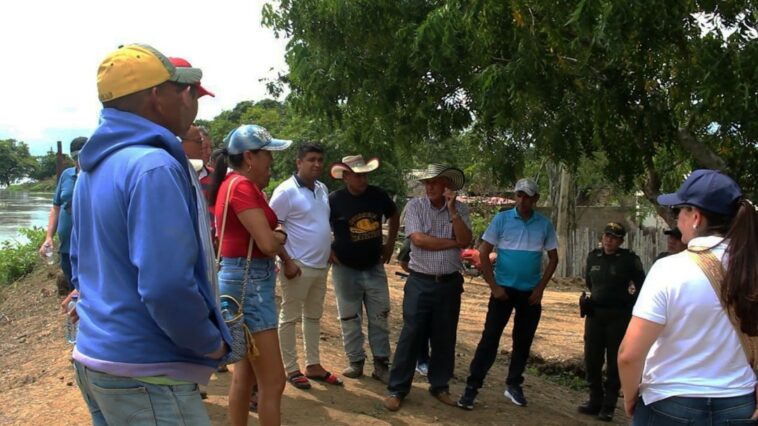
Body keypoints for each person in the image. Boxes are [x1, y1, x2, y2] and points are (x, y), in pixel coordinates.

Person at [69, 44, 230, 425]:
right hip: (147, 372)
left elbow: (78, 267)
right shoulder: (153, 166)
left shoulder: (92, 169)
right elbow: (165, 286)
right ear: (158, 97)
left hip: (97, 358)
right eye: (185, 91)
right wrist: (210, 343)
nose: (191, 102)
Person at [618, 169, 758, 424]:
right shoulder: (751, 269)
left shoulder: (669, 269)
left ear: (695, 217)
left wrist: (630, 397)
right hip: (739, 405)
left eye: (678, 210)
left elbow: (630, 354)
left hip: (670, 403)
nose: (675, 218)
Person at [209, 124, 292, 426]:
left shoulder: (230, 185)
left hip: (235, 280)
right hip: (251, 286)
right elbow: (267, 244)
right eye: (267, 153)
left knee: (244, 375)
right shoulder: (242, 187)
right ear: (249, 157)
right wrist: (280, 235)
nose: (272, 160)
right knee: (273, 382)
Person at [457, 178, 558, 410]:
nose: (522, 200)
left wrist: (540, 289)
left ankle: (514, 384)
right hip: (503, 291)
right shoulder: (502, 219)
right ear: (515, 197)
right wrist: (493, 286)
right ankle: (472, 387)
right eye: (519, 195)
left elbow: (554, 258)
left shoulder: (544, 225)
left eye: (527, 196)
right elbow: (484, 253)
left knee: (522, 342)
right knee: (489, 339)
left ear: (535, 199)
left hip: (529, 294)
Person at [384, 164, 472, 411]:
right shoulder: (415, 206)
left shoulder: (461, 209)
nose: (430, 187)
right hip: (420, 281)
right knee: (411, 335)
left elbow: (466, 241)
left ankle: (440, 385)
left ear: (447, 186)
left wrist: (453, 211)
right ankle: (397, 388)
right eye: (427, 182)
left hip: (449, 282)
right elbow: (419, 240)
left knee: (445, 336)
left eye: (435, 182)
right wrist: (452, 243)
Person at [270, 143, 342, 389]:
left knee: (313, 316)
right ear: (298, 162)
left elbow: (320, 224)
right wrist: (287, 261)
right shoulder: (285, 191)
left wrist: (329, 249)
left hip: (321, 265)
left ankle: (313, 364)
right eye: (311, 159)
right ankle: (291, 368)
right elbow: (273, 229)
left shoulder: (322, 189)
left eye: (320, 160)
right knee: (289, 317)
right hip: (297, 264)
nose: (317, 164)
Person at [328, 155, 399, 383]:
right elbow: (318, 224)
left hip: (374, 266)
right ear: (346, 176)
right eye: (358, 175)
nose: (363, 179)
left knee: (380, 315)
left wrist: (389, 244)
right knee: (349, 317)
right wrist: (327, 250)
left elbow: (394, 214)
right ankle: (355, 361)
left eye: (365, 174)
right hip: (345, 268)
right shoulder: (334, 200)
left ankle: (381, 363)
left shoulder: (378, 195)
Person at [577, 222, 645, 422]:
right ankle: (594, 400)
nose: (609, 240)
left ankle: (608, 406)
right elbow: (590, 283)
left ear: (621, 241)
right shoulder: (593, 257)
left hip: (618, 316)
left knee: (615, 361)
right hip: (595, 314)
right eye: (607, 236)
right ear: (602, 237)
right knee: (592, 358)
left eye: (614, 237)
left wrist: (630, 305)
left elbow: (642, 285)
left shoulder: (629, 260)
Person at [40, 136, 87, 293]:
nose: (79, 160)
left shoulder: (97, 175)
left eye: (82, 155)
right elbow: (56, 208)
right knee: (72, 286)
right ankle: (74, 315)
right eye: (75, 157)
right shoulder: (66, 175)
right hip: (66, 247)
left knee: (88, 289)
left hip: (88, 248)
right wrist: (49, 237)